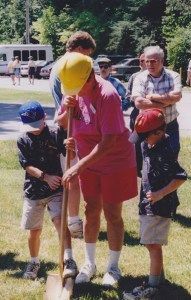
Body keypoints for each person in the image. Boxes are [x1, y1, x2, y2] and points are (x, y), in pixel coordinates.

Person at [57, 52, 138, 286]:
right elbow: (62, 122)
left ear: (90, 77)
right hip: (88, 161)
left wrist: (77, 167)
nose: (74, 91)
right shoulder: (73, 90)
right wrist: (66, 111)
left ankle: (113, 267)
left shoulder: (108, 95)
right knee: (91, 210)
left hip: (114, 161)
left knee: (113, 214)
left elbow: (109, 141)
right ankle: (89, 264)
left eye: (77, 87)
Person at [123, 109, 187, 300]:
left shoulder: (167, 150)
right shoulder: (146, 145)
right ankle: (159, 280)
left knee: (153, 245)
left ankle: (152, 288)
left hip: (160, 205)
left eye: (145, 136)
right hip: (147, 203)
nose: (142, 140)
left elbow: (179, 177)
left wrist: (159, 194)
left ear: (158, 133)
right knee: (151, 243)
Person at [17, 101, 78, 280]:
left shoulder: (55, 133)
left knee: (60, 222)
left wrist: (71, 148)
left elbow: (70, 156)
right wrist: (46, 177)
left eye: (37, 125)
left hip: (55, 190)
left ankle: (68, 259)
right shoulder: (23, 139)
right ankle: (34, 261)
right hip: (34, 190)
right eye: (31, 126)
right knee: (34, 230)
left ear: (44, 118)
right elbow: (27, 166)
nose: (34, 129)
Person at [50, 31, 96, 238]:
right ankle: (74, 223)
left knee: (72, 176)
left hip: (67, 124)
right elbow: (68, 106)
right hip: (69, 126)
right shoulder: (68, 68)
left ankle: (73, 221)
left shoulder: (58, 64)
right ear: (79, 50)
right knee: (73, 177)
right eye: (87, 55)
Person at [132, 46, 182, 158]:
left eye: (153, 61)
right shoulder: (140, 78)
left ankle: (170, 175)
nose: (149, 64)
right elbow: (139, 102)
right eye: (147, 61)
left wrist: (152, 96)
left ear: (162, 61)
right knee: (144, 157)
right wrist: (166, 102)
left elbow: (177, 96)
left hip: (169, 124)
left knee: (172, 152)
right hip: (146, 125)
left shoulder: (174, 76)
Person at [126, 53, 146, 177]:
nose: (141, 62)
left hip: (149, 112)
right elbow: (128, 95)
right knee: (136, 140)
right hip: (136, 112)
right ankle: (137, 167)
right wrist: (136, 99)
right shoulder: (134, 76)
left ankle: (148, 165)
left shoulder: (153, 75)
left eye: (143, 60)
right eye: (140, 60)